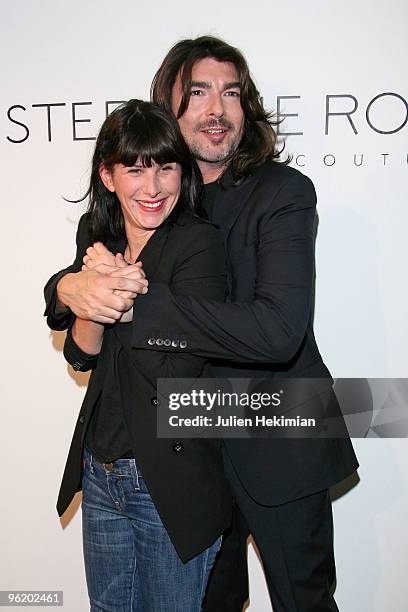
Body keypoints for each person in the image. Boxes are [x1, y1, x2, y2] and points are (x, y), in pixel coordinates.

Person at [44, 37, 359, 612]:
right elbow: (85, 278)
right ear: (168, 104)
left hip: (277, 436)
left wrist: (138, 302)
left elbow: (277, 332)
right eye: (198, 92)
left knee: (304, 602)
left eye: (231, 93)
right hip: (185, 460)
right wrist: (67, 287)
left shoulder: (283, 193)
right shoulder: (159, 198)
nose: (217, 109)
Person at [44, 99, 233, 611]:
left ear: (182, 171)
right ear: (108, 176)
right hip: (101, 469)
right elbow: (82, 356)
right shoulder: (96, 235)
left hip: (168, 480)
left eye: (166, 167)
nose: (152, 189)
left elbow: (173, 374)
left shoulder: (199, 245)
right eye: (134, 169)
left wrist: (125, 295)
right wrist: (86, 292)